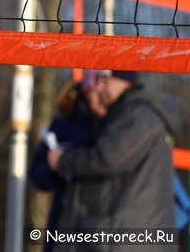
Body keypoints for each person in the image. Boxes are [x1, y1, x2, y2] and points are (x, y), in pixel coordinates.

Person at [47, 70, 176, 250]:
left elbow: (106, 160)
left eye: (105, 82)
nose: (98, 88)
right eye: (97, 81)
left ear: (125, 83)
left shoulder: (137, 117)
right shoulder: (128, 114)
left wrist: (64, 160)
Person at [28, 71, 107, 252]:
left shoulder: (119, 123)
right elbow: (37, 174)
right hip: (65, 219)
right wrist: (57, 166)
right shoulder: (66, 120)